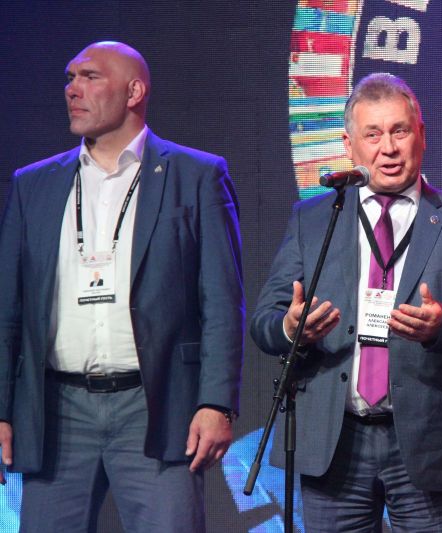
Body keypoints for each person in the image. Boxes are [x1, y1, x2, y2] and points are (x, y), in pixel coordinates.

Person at [250, 73, 442, 531]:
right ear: (349, 145)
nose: (388, 148)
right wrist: (290, 329)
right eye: (372, 134)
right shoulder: (313, 219)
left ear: (421, 135)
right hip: (335, 442)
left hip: (426, 442)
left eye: (399, 131)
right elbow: (264, 321)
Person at [0, 41, 244, 532]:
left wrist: (216, 402)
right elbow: (8, 307)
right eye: (70, 78)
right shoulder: (35, 184)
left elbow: (222, 301)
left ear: (134, 92)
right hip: (57, 411)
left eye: (90, 77)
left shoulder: (196, 175)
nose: (73, 89)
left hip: (155, 406)